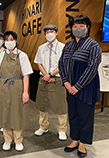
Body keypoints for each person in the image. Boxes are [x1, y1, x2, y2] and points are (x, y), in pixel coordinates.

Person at [59, 14, 100, 158]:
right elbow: (61, 64)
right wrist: (66, 83)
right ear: (71, 29)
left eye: (81, 26)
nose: (78, 28)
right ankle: (75, 140)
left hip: (86, 87)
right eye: (75, 26)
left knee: (85, 116)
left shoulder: (93, 45)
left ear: (87, 28)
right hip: (69, 87)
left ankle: (83, 143)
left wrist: (77, 86)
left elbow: (92, 68)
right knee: (73, 115)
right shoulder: (68, 46)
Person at [0, 30, 33, 152]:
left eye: (12, 39)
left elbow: (26, 75)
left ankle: (18, 140)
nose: (9, 42)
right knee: (5, 113)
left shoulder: (22, 55)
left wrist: (25, 92)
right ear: (4, 42)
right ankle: (7, 140)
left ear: (15, 41)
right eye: (7, 40)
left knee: (17, 113)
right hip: (3, 87)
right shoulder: (0, 56)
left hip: (17, 86)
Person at [33, 24, 68, 140]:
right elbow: (38, 63)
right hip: (43, 79)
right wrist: (46, 75)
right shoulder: (41, 48)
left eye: (51, 31)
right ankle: (43, 126)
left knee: (61, 106)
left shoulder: (63, 47)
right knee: (42, 104)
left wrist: (51, 74)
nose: (49, 34)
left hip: (57, 79)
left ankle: (62, 129)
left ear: (56, 33)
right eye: (47, 32)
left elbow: (62, 64)